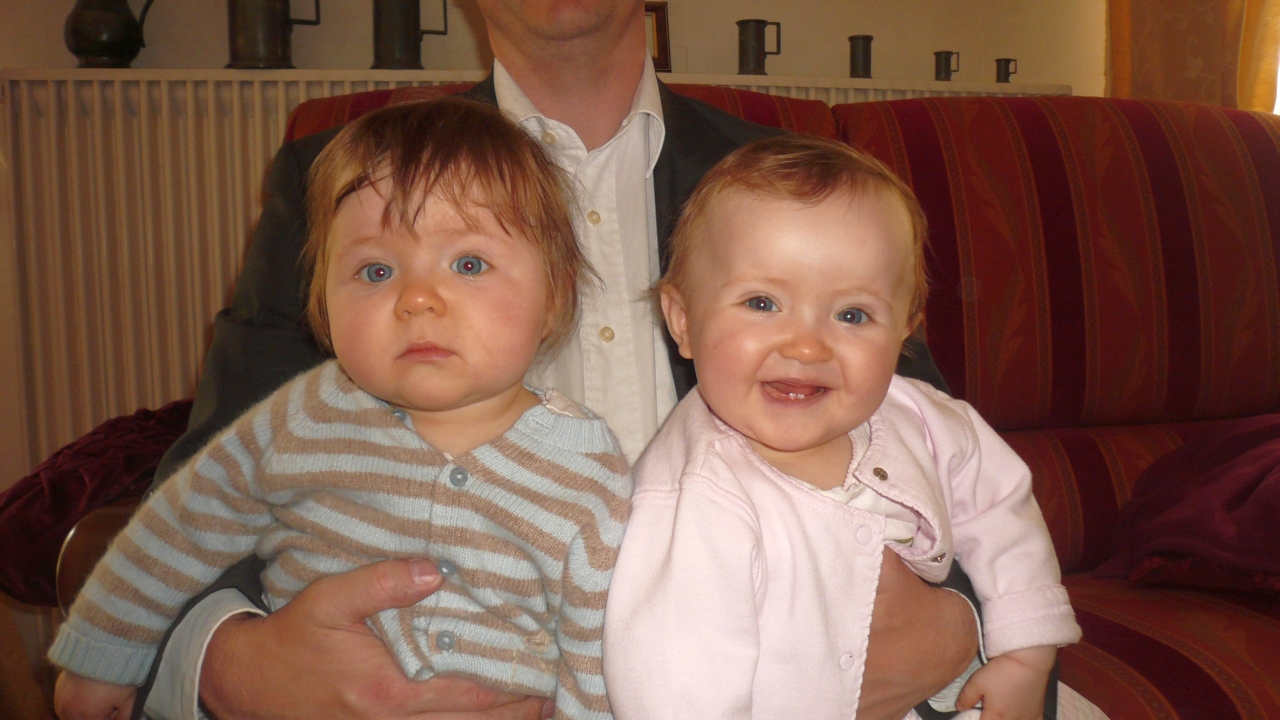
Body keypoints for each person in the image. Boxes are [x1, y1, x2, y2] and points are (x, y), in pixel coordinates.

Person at [139, 2, 987, 719]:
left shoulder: (803, 187)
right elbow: (210, 485)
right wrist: (230, 664)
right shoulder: (338, 181)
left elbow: (948, 459)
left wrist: (960, 630)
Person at [50, 99, 630, 720]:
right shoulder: (304, 416)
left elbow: (596, 654)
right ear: (322, 304)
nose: (417, 299)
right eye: (375, 271)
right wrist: (102, 655)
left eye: (469, 264)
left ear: (554, 296)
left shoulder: (586, 468)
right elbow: (182, 525)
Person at [604, 136, 1085, 720]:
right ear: (682, 320)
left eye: (852, 315)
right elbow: (673, 691)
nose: (807, 346)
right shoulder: (692, 503)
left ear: (904, 331)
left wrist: (1027, 654)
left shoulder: (922, 417)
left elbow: (1001, 510)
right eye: (762, 303)